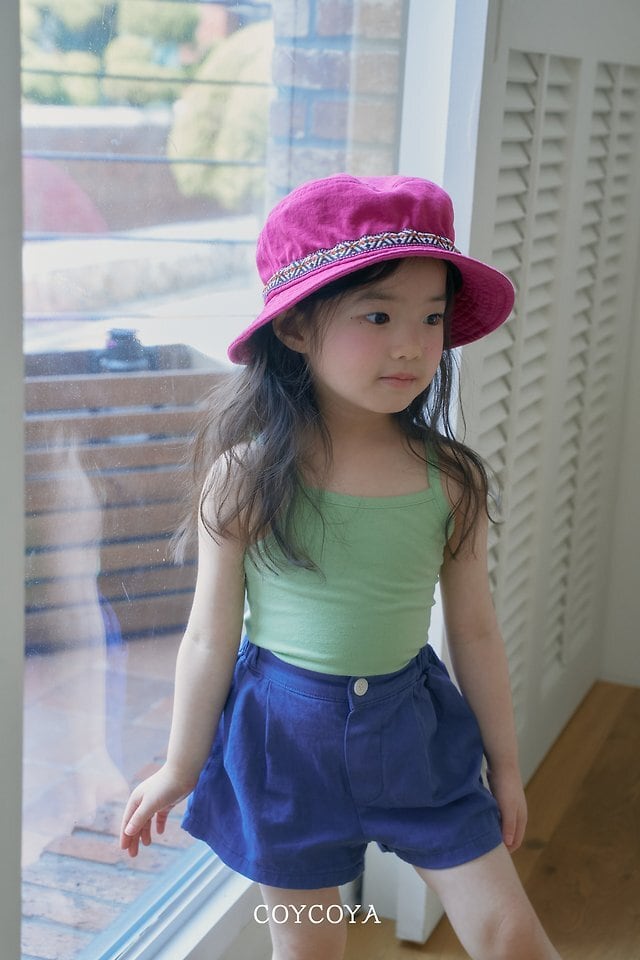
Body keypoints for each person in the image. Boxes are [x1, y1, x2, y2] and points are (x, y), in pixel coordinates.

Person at [120, 175, 561, 960]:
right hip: (283, 749)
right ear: (295, 327)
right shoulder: (245, 478)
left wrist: (506, 766)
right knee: (312, 948)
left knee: (509, 935)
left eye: (432, 318)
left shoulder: (452, 481)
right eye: (378, 315)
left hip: (416, 739)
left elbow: (475, 632)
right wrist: (179, 767)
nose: (411, 344)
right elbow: (208, 638)